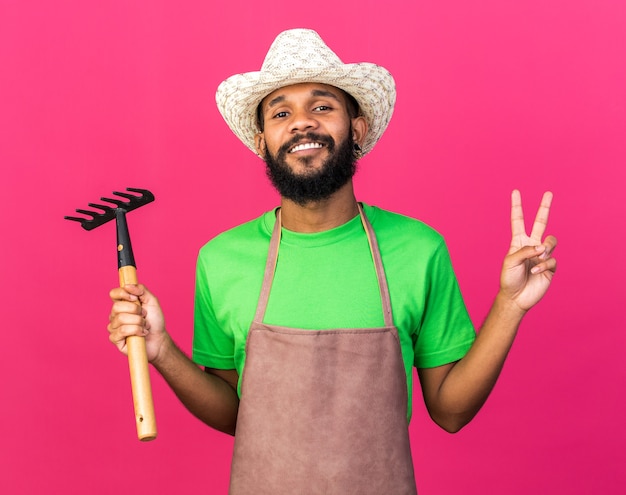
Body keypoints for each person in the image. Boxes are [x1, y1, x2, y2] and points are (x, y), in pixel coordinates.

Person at [108, 29, 557, 494]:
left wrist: (510, 306)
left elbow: (450, 411)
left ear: (356, 129)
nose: (302, 123)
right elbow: (235, 414)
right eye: (281, 112)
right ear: (263, 142)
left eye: (322, 106)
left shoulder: (419, 249)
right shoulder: (222, 260)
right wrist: (161, 351)